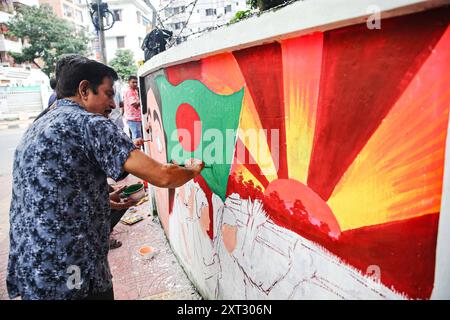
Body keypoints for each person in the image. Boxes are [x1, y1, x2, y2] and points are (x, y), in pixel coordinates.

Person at [7, 56, 204, 300]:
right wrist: (193, 170)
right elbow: (163, 176)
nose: (113, 104)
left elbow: (53, 186)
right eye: (108, 94)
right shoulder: (89, 124)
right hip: (71, 272)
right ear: (84, 89)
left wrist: (100, 197)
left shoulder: (40, 123)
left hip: (33, 268)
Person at [123, 75, 142, 140]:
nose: (135, 84)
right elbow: (135, 105)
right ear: (129, 82)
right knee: (137, 138)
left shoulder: (135, 91)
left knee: (137, 137)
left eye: (136, 82)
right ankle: (137, 149)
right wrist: (143, 99)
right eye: (133, 82)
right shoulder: (130, 92)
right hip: (133, 119)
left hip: (135, 118)